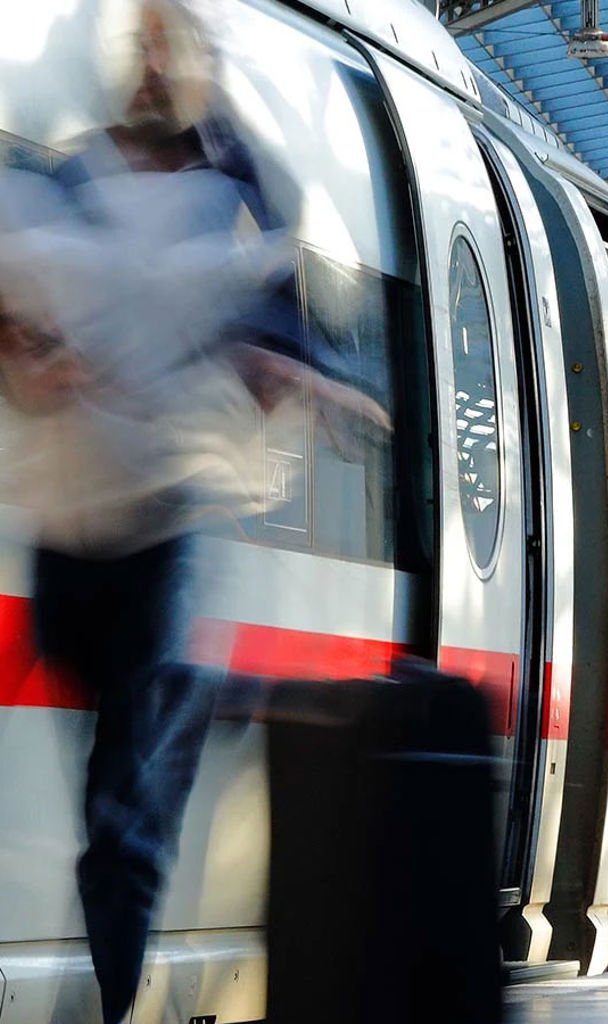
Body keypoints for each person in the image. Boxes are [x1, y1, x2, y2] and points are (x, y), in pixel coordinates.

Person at [0, 3, 385, 1020]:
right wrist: (30, 353)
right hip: (68, 522)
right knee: (107, 753)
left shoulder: (238, 194)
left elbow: (296, 322)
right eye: (145, 47)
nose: (154, 65)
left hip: (165, 521)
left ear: (201, 75)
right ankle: (208, 692)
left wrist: (297, 372)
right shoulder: (61, 182)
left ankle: (114, 1002)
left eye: (174, 50)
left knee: (122, 815)